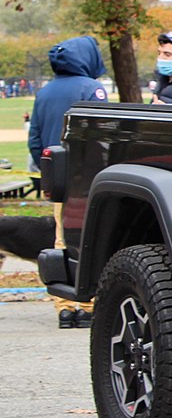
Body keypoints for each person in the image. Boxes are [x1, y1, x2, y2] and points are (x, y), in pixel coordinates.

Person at [28, 36, 108, 329]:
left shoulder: (44, 92)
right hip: (86, 180)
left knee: (61, 237)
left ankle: (64, 306)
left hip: (57, 179)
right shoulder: (92, 89)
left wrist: (48, 171)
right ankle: (86, 305)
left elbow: (35, 139)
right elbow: (101, 134)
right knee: (89, 239)